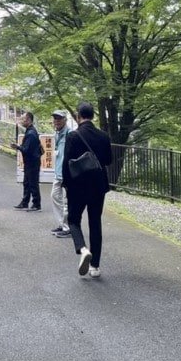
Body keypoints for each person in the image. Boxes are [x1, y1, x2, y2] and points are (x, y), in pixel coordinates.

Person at [61, 101, 114, 278]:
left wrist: (66, 184)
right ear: (92, 116)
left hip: (77, 186)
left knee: (73, 220)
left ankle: (82, 249)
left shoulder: (73, 136)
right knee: (95, 222)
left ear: (78, 116)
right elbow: (108, 160)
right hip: (98, 186)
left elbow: (66, 164)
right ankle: (95, 266)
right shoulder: (103, 136)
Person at [11, 111, 43, 211]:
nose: (21, 121)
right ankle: (25, 202)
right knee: (27, 182)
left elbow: (27, 150)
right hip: (31, 161)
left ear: (29, 120)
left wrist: (17, 147)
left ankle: (36, 204)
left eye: (23, 119)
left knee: (33, 183)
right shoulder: (30, 131)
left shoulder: (31, 133)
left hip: (32, 162)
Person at [50, 110, 73, 237]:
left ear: (65, 120)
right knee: (55, 197)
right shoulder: (57, 134)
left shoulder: (70, 134)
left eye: (59, 118)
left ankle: (67, 228)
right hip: (58, 172)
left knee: (66, 202)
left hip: (67, 174)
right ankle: (62, 224)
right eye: (55, 118)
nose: (56, 121)